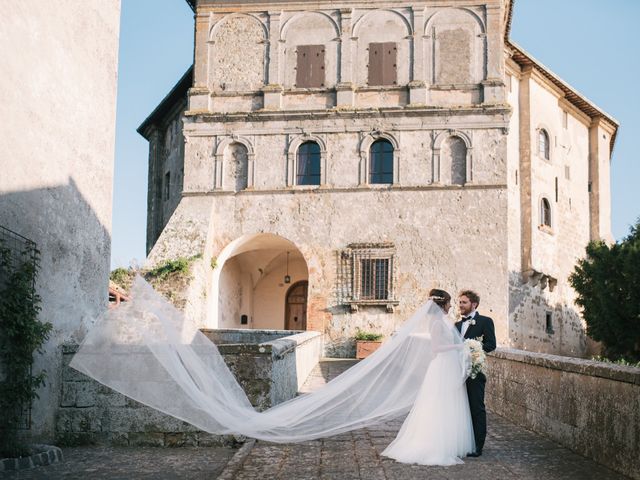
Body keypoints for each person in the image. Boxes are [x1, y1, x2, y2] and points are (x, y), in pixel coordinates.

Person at [381, 289, 476, 465]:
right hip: (442, 366)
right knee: (440, 404)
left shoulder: (441, 321)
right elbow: (436, 348)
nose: (451, 305)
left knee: (447, 403)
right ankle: (435, 444)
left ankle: (448, 442)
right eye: (448, 302)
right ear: (441, 305)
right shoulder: (437, 324)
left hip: (447, 365)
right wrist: (459, 347)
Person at [455, 289, 496, 457]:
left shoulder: (485, 321)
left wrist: (474, 349)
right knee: (460, 408)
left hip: (475, 372)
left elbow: (491, 344)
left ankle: (478, 446)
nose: (460, 305)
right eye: (459, 302)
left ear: (474, 304)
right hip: (457, 373)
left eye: (464, 302)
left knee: (476, 408)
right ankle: (462, 442)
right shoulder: (456, 325)